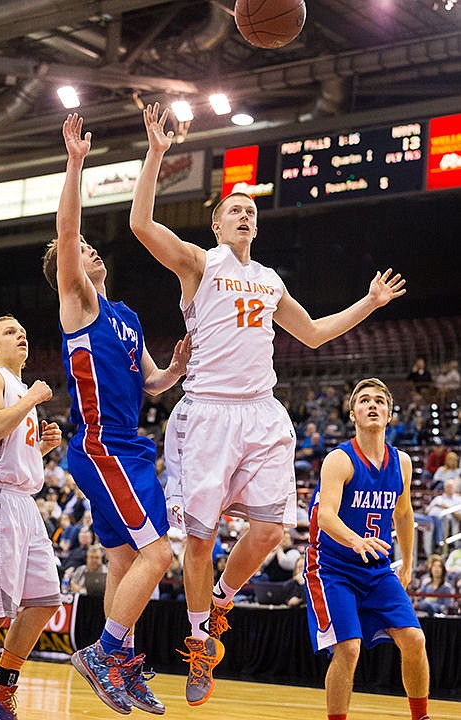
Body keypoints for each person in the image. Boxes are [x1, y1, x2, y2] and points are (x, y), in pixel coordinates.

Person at [128, 102, 407, 707]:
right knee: (197, 540)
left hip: (260, 410)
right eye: (234, 209)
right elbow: (143, 226)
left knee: (272, 527)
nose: (245, 213)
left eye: (250, 209)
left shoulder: (271, 279)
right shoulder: (199, 265)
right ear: (218, 226)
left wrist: (368, 303)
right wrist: (155, 153)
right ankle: (201, 641)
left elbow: (311, 334)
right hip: (206, 411)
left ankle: (222, 599)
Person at [41, 113, 191, 716]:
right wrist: (76, 163)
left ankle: (121, 665)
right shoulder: (76, 303)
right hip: (101, 447)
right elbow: (66, 226)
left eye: (88, 248)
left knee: (132, 563)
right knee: (160, 555)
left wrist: (176, 367)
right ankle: (103, 652)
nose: (87, 249)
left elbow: (152, 382)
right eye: (77, 250)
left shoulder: (125, 315)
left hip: (131, 447)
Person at [305, 377, 432, 720]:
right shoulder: (339, 460)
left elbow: (404, 513)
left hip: (376, 568)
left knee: (415, 641)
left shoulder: (402, 462)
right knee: (348, 649)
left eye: (379, 401)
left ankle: (420, 716)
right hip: (332, 567)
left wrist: (407, 562)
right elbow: (326, 517)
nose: (372, 405)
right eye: (364, 400)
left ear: (390, 414)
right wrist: (355, 540)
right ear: (353, 414)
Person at [0, 315, 63, 719]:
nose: (20, 334)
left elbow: (11, 454)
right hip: (1, 500)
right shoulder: (0, 378)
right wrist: (32, 401)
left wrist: (41, 450)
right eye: (8, 332)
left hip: (25, 504)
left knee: (44, 600)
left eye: (23, 330)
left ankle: (3, 687)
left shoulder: (21, 390)